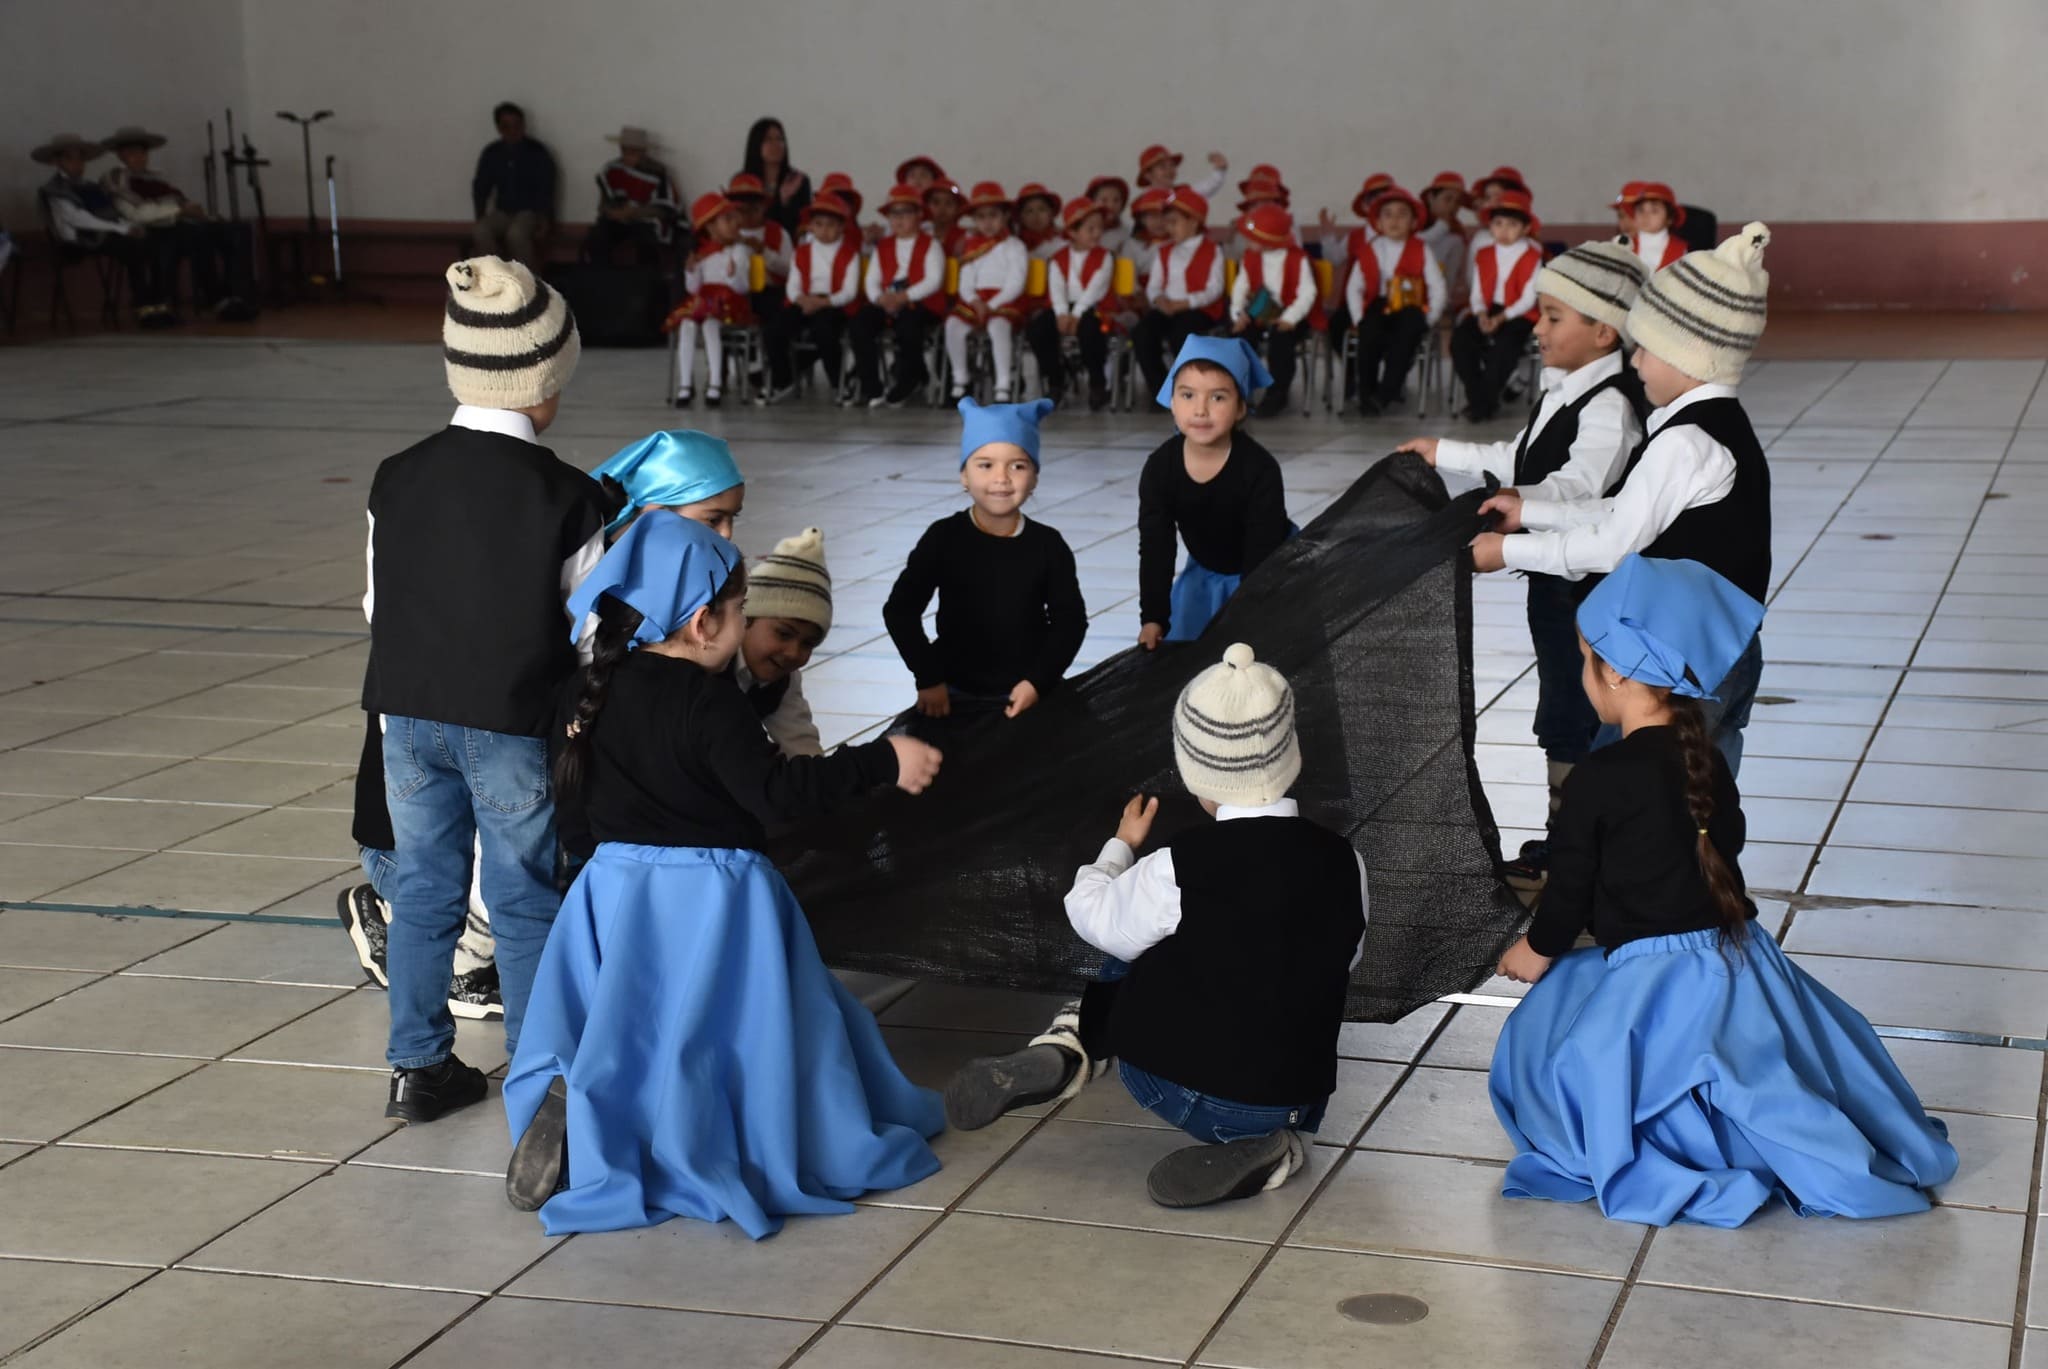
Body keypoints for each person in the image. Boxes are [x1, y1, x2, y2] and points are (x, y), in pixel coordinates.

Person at [501, 513, 946, 1235]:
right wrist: (883, 760)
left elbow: (571, 801)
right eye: (742, 613)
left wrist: (589, 877)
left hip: (615, 892)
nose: (745, 629)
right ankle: (713, 1134)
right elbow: (780, 797)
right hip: (716, 899)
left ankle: (600, 1125)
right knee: (736, 1032)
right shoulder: (709, 702)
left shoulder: (589, 688)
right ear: (705, 621)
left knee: (629, 1028)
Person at [1489, 555, 1957, 1228]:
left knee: (1547, 1048)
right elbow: (1724, 836)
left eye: (1584, 661)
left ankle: (1673, 1148)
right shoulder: (1702, 754)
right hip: (1737, 958)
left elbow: (1570, 891)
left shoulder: (1597, 777)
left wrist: (1536, 948)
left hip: (1651, 979)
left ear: (1615, 672)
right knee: (1761, 1066)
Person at [944, 641, 1367, 1208]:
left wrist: (1120, 847)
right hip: (1297, 1089)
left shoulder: (1179, 865)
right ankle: (1275, 1142)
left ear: (1198, 774)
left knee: (1133, 935)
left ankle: (1072, 1043)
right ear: (1291, 758)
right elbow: (1346, 957)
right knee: (1247, 953)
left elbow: (1090, 916)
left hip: (1182, 1091)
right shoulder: (1346, 859)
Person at [364, 256, 602, 1125]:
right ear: (546, 379)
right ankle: (538, 1080)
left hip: (407, 717)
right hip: (511, 721)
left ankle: (418, 1067)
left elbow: (374, 604)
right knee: (523, 894)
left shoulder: (398, 473)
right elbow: (590, 635)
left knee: (423, 887)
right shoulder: (569, 494)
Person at [1471, 225, 1777, 773]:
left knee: (1633, 795)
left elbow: (1614, 544)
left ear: (1690, 355)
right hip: (1725, 646)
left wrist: (1507, 552)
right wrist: (1531, 512)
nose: (1634, 365)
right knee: (1706, 805)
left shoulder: (1687, 440)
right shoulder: (1716, 426)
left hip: (1681, 663)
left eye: (1646, 352)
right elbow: (1626, 509)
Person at [1400, 240, 1648, 889]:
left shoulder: (1611, 405)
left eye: (1552, 316)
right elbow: (1521, 456)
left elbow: (1577, 487)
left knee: (1585, 711)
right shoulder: (1565, 388)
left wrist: (1519, 509)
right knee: (1561, 708)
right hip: (1554, 585)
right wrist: (1440, 452)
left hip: (1589, 590)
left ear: (1603, 329)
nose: (1536, 327)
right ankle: (1564, 840)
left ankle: (1588, 852)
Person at [884, 398, 1087, 725]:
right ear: (964, 475)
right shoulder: (944, 538)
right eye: (985, 465)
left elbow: (1070, 622)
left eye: (1017, 466)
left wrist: (1037, 681)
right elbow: (900, 610)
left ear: (1034, 477)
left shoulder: (1048, 546)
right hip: (953, 691)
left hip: (1026, 692)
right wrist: (929, 677)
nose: (1002, 478)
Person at [1138, 337, 1289, 647]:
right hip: (1205, 575)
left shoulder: (1259, 470)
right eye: (1188, 395)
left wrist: (1247, 618)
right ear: (1172, 402)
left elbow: (1263, 553)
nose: (1201, 410)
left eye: (1218, 398)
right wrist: (1152, 617)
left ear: (1240, 408)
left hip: (1267, 576)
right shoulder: (1160, 468)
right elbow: (1157, 547)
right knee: (1189, 667)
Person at [100, 124, 256, 320]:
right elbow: (136, 213)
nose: (139, 158)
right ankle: (214, 298)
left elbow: (179, 200)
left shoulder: (155, 178)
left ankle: (237, 296)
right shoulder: (116, 177)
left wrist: (202, 214)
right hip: (152, 231)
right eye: (133, 153)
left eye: (142, 153)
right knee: (198, 236)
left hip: (179, 225)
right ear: (121, 155)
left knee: (235, 230)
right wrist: (180, 211)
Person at [33, 133, 169, 326]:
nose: (77, 163)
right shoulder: (54, 189)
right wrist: (120, 229)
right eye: (70, 158)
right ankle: (143, 306)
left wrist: (127, 226)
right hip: (77, 241)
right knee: (133, 248)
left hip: (103, 235)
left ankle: (159, 303)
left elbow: (110, 212)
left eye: (80, 158)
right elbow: (77, 218)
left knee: (153, 243)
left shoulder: (90, 186)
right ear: (57, 161)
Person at [1342, 185, 1447, 416]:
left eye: (1402, 214)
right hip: (1379, 306)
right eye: (1388, 215)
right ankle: (1366, 393)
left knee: (1407, 333)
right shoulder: (1369, 249)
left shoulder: (1421, 249)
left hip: (1410, 308)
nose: (1395, 220)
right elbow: (1354, 288)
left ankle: (1386, 392)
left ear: (1413, 222)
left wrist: (1429, 319)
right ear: (1378, 223)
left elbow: (1437, 287)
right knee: (1368, 334)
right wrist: (1359, 318)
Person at [736, 527, 836, 757]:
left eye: (808, 643)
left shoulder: (781, 679)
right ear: (745, 619)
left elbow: (800, 744)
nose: (793, 653)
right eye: (784, 633)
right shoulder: (708, 668)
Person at [1451, 187, 1543, 421]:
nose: (1504, 230)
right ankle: (1479, 398)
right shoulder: (1483, 253)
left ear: (1525, 228)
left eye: (1512, 225)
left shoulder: (1532, 255)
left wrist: (1500, 319)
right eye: (1498, 223)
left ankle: (1482, 404)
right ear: (1490, 226)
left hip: (1520, 314)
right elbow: (1478, 292)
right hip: (1488, 309)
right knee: (1461, 340)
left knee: (1504, 348)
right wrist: (1481, 314)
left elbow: (1528, 299)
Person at [852, 184, 947, 408]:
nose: (899, 219)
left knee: (909, 325)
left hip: (921, 303)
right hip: (887, 302)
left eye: (905, 213)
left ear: (918, 216)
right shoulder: (883, 246)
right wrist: (879, 298)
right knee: (860, 324)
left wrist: (904, 297)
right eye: (894, 214)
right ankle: (871, 387)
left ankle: (909, 379)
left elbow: (933, 280)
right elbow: (872, 279)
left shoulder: (931, 245)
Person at [1131, 188, 1226, 403]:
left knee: (1181, 336)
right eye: (1168, 223)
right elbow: (1154, 285)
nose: (1168, 228)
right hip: (1168, 308)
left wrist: (1186, 303)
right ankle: (1161, 388)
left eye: (1174, 222)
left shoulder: (1212, 250)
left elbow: (1214, 288)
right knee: (1142, 333)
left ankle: (1191, 388)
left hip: (1198, 309)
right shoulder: (1164, 251)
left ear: (1193, 222)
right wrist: (1158, 299)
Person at [765, 193, 861, 402]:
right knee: (775, 330)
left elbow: (849, 291)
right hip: (805, 301)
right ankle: (783, 380)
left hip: (833, 304)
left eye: (830, 225)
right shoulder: (801, 252)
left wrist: (823, 302)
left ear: (841, 227)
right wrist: (803, 300)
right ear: (811, 227)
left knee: (824, 331)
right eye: (819, 224)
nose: (824, 230)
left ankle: (838, 383)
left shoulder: (850, 254)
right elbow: (792, 286)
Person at [1228, 203, 1320, 419]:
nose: (1248, 241)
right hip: (1258, 312)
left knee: (1281, 341)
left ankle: (1277, 392)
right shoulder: (1250, 257)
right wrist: (1238, 313)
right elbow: (1240, 287)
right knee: (1240, 337)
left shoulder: (1298, 258)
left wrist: (1289, 318)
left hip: (1290, 315)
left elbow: (1308, 292)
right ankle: (1237, 389)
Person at [664, 192, 753, 409]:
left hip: (730, 303)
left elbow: (743, 287)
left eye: (735, 219)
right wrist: (692, 272)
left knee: (711, 324)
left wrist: (733, 275)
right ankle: (685, 384)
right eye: (727, 220)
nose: (735, 224)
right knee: (686, 324)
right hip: (704, 301)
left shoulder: (739, 251)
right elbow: (693, 289)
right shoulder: (702, 253)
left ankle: (715, 383)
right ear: (711, 227)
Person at [944, 182, 1029, 402]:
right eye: (981, 217)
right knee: (953, 325)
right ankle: (960, 380)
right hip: (975, 302)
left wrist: (991, 306)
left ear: (1005, 216)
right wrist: (974, 301)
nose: (988, 222)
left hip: (1004, 302)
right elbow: (965, 282)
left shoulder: (1015, 246)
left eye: (993, 215)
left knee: (997, 325)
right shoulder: (971, 247)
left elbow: (1016, 282)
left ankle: (1003, 385)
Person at [1027, 198, 1115, 410]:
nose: (1096, 234)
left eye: (1099, 228)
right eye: (1090, 229)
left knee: (1090, 330)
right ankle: (1055, 380)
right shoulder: (1058, 258)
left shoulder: (1105, 257)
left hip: (1092, 307)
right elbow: (1056, 288)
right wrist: (1061, 314)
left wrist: (1076, 314)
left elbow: (1096, 288)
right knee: (1038, 329)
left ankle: (1097, 382)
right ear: (1073, 232)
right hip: (1063, 308)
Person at [471, 102, 556, 270]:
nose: (512, 131)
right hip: (502, 211)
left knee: (516, 234)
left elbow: (547, 186)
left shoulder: (537, 152)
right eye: (506, 126)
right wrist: (480, 214)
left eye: (517, 125)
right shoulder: (492, 153)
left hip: (529, 211)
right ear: (499, 128)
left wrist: (545, 219)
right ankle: (495, 276)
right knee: (481, 231)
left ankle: (528, 282)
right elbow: (481, 186)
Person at [584, 126, 677, 267]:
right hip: (617, 221)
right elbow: (604, 204)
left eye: (633, 151)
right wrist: (614, 213)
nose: (627, 155)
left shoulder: (657, 172)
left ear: (643, 152)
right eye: (624, 150)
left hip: (645, 221)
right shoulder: (612, 170)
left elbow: (665, 207)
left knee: (647, 244)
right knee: (598, 237)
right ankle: (603, 280)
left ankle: (646, 284)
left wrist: (634, 212)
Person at [727, 172, 791, 352]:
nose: (746, 216)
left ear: (763, 207)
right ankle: (720, 369)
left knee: (774, 313)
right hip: (732, 292)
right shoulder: (724, 232)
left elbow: (790, 270)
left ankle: (768, 363)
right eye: (741, 210)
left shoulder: (778, 233)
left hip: (769, 292)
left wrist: (763, 252)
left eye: (753, 209)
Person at [742, 116, 811, 236]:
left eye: (780, 139)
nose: (776, 144)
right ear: (756, 144)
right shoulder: (743, 182)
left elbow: (801, 227)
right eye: (768, 139)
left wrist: (785, 201)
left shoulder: (799, 181)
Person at [1419, 170, 1472, 313]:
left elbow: (1451, 280)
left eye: (1457, 202)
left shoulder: (1456, 234)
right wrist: (1441, 226)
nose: (1453, 206)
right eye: (1447, 199)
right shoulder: (1412, 219)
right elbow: (1412, 246)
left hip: (1437, 298)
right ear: (1431, 198)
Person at [1628, 181, 1689, 271]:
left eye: (1654, 211)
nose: (1645, 215)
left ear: (1669, 218)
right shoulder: (1625, 245)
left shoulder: (1679, 250)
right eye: (1641, 210)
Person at [1136, 144, 1230, 201]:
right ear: (1147, 175)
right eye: (1162, 167)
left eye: (1172, 165)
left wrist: (1220, 171)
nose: (1169, 171)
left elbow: (1208, 187)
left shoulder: (1182, 193)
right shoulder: (1144, 202)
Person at [1087, 173, 1132, 254]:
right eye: (1104, 200)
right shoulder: (1082, 233)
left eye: (1116, 200)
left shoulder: (1129, 233)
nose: (1111, 205)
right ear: (1092, 202)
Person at [1015, 182, 1062, 258]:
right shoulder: (1014, 246)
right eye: (1029, 211)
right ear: (1021, 217)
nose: (1036, 216)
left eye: (1042, 209)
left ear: (1051, 213)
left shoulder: (1064, 241)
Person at [925, 180, 968, 258]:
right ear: (927, 206)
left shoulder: (967, 237)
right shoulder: (919, 235)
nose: (942, 208)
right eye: (936, 202)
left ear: (958, 208)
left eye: (949, 203)